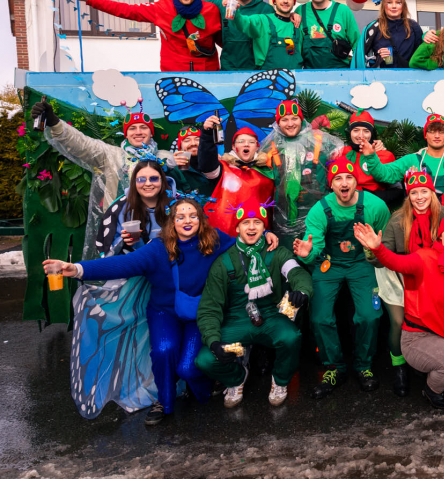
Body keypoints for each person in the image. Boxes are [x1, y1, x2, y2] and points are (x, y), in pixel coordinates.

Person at [43, 193, 244, 425]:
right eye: (180, 217)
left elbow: (242, 244)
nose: (187, 221)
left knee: (188, 368)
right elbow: (122, 264)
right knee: (164, 350)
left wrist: (267, 235)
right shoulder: (158, 248)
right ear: (172, 222)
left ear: (201, 219)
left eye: (193, 216)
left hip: (199, 314)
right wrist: (77, 269)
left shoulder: (213, 239)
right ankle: (164, 401)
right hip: (164, 312)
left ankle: (203, 389)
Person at [69, 157, 175, 419]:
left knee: (157, 335)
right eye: (142, 179)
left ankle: (167, 382)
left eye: (153, 178)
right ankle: (137, 384)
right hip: (132, 282)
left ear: (162, 181)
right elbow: (105, 246)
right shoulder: (121, 205)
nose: (148, 183)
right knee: (132, 335)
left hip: (167, 280)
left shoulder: (175, 203)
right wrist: (124, 243)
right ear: (134, 182)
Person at [195, 200, 313, 408]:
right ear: (237, 228)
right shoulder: (223, 262)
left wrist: (302, 290)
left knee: (291, 338)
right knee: (205, 360)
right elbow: (209, 308)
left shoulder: (276, 252)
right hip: (236, 322)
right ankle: (237, 377)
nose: (251, 227)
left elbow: (296, 272)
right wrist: (213, 341)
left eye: (257, 222)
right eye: (246, 222)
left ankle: (280, 380)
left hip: (271, 317)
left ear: (264, 227)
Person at [292, 158, 391, 398]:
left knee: (369, 315)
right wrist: (308, 254)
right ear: (331, 184)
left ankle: (364, 366)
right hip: (330, 264)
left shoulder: (375, 206)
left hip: (362, 263)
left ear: (357, 182)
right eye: (338, 179)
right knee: (320, 317)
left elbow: (386, 241)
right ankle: (334, 368)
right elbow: (314, 245)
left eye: (349, 178)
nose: (344, 183)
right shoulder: (320, 210)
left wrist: (378, 251)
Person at [355, 213, 444, 410]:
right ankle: (432, 390)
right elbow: (395, 262)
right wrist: (377, 248)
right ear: (441, 235)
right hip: (419, 336)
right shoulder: (424, 258)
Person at [31, 101, 174, 260]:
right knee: (118, 269)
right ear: (126, 134)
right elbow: (82, 144)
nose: (138, 132)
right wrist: (54, 122)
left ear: (151, 133)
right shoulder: (111, 155)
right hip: (118, 225)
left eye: (143, 127)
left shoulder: (165, 158)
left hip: (157, 225)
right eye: (132, 128)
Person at [368, 171, 444, 397]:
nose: (419, 197)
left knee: (435, 316)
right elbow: (382, 257)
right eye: (414, 193)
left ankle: (430, 362)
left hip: (431, 275)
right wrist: (372, 249)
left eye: (424, 191)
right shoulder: (397, 219)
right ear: (408, 196)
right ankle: (399, 366)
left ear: (432, 193)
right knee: (399, 320)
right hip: (397, 273)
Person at [59, 0, 221, 71]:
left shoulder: (211, 10)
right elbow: (125, 10)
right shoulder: (162, 8)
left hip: (208, 73)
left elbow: (224, 39)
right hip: (174, 76)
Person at [140, 0, 273, 72]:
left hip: (257, 68)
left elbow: (277, 31)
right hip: (228, 67)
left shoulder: (266, 10)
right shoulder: (220, 3)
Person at [257, 99, 346, 250]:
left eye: (294, 118)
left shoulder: (320, 140)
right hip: (283, 218)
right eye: (284, 120)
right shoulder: (270, 146)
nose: (290, 123)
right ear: (278, 123)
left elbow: (346, 161)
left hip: (318, 212)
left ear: (301, 119)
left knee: (318, 253)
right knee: (288, 256)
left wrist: (371, 151)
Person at [196, 116, 275, 237]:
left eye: (251, 142)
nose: (246, 144)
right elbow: (206, 165)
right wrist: (207, 135)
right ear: (233, 147)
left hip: (259, 234)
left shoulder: (268, 171)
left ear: (257, 147)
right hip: (226, 236)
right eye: (241, 141)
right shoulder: (223, 168)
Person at [371, 114, 444, 196]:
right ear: (425, 135)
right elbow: (383, 174)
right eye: (432, 131)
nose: (437, 136)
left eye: (441, 132)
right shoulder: (412, 160)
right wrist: (370, 155)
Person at [298, 0, 362, 69]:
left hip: (341, 73)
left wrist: (355, 70)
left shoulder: (343, 11)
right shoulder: (300, 11)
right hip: (310, 74)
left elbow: (357, 44)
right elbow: (297, 47)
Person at [234, 0, 305, 71]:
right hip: (267, 77)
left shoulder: (298, 24)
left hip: (295, 77)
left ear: (294, 2)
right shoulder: (262, 21)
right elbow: (243, 22)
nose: (285, 1)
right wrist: (234, 10)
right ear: (274, 1)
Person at [337, 111, 400, 205]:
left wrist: (369, 197)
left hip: (373, 207)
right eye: (356, 130)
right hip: (343, 206)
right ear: (350, 132)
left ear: (371, 133)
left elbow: (397, 190)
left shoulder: (385, 156)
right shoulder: (340, 153)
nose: (361, 135)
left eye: (366, 131)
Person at [363, 0, 423, 68]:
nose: (394, 6)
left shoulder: (413, 27)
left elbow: (421, 55)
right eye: (389, 2)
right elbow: (363, 59)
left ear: (403, 5)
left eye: (398, 2)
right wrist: (377, 57)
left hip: (409, 75)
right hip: (382, 75)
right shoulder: (374, 27)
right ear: (384, 5)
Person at [169, 126, 216, 197]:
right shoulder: (176, 171)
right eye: (187, 140)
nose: (193, 143)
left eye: (197, 139)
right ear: (180, 147)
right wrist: (168, 167)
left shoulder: (216, 164)